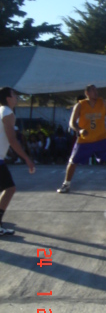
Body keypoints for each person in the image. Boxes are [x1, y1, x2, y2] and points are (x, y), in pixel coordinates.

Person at [57, 85, 106, 193]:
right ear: (87, 93)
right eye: (93, 90)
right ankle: (66, 184)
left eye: (96, 90)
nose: (96, 92)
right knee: (73, 161)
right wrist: (79, 130)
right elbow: (72, 123)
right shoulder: (80, 105)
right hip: (85, 140)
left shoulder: (103, 102)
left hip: (101, 138)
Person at [0, 88, 36, 235]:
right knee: (10, 188)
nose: (17, 98)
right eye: (14, 95)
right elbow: (12, 140)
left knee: (7, 189)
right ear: (8, 98)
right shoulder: (8, 113)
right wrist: (27, 158)